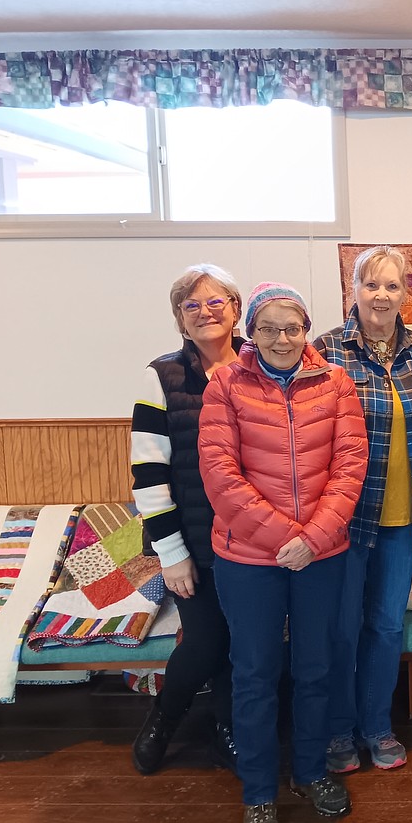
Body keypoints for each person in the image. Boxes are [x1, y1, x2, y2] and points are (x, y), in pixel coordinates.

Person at [199, 282, 368, 823]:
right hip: (248, 559)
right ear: (250, 331)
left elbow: (350, 468)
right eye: (267, 328)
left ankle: (313, 772)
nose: (280, 338)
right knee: (254, 675)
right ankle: (258, 794)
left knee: (316, 668)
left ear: (307, 330)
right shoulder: (224, 384)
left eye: (291, 327)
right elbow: (220, 475)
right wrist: (282, 540)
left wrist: (313, 538)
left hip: (322, 555)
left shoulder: (337, 383)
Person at [312, 246, 412, 773]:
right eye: (371, 284)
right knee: (342, 628)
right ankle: (338, 732)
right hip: (344, 519)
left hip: (405, 519)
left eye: (392, 286)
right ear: (353, 289)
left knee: (387, 628)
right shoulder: (324, 351)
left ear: (405, 294)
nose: (381, 295)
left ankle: (377, 726)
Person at [130, 264, 244, 775]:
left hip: (251, 539)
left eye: (216, 301)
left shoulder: (264, 364)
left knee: (242, 639)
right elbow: (149, 476)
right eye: (191, 305)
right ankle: (164, 718)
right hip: (192, 542)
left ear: (237, 308)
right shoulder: (161, 377)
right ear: (179, 318)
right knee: (206, 639)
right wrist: (171, 554)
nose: (205, 312)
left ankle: (228, 727)